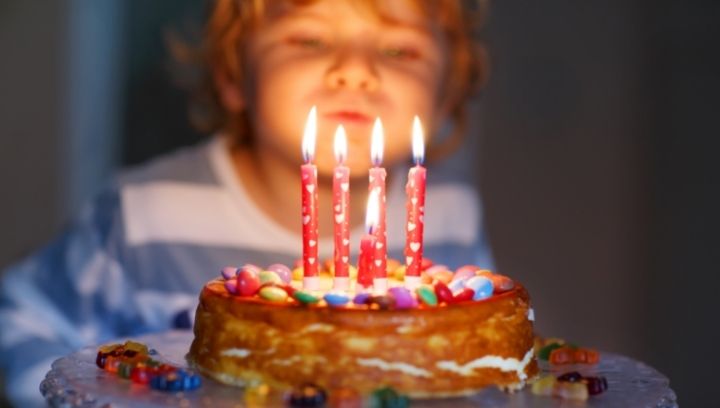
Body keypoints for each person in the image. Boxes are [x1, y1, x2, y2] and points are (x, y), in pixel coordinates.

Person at [0, 0, 491, 405]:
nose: (356, 71)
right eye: (309, 40)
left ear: (446, 95)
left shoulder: (450, 213)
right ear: (236, 76)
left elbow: (485, 362)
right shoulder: (148, 213)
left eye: (399, 49)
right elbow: (17, 316)